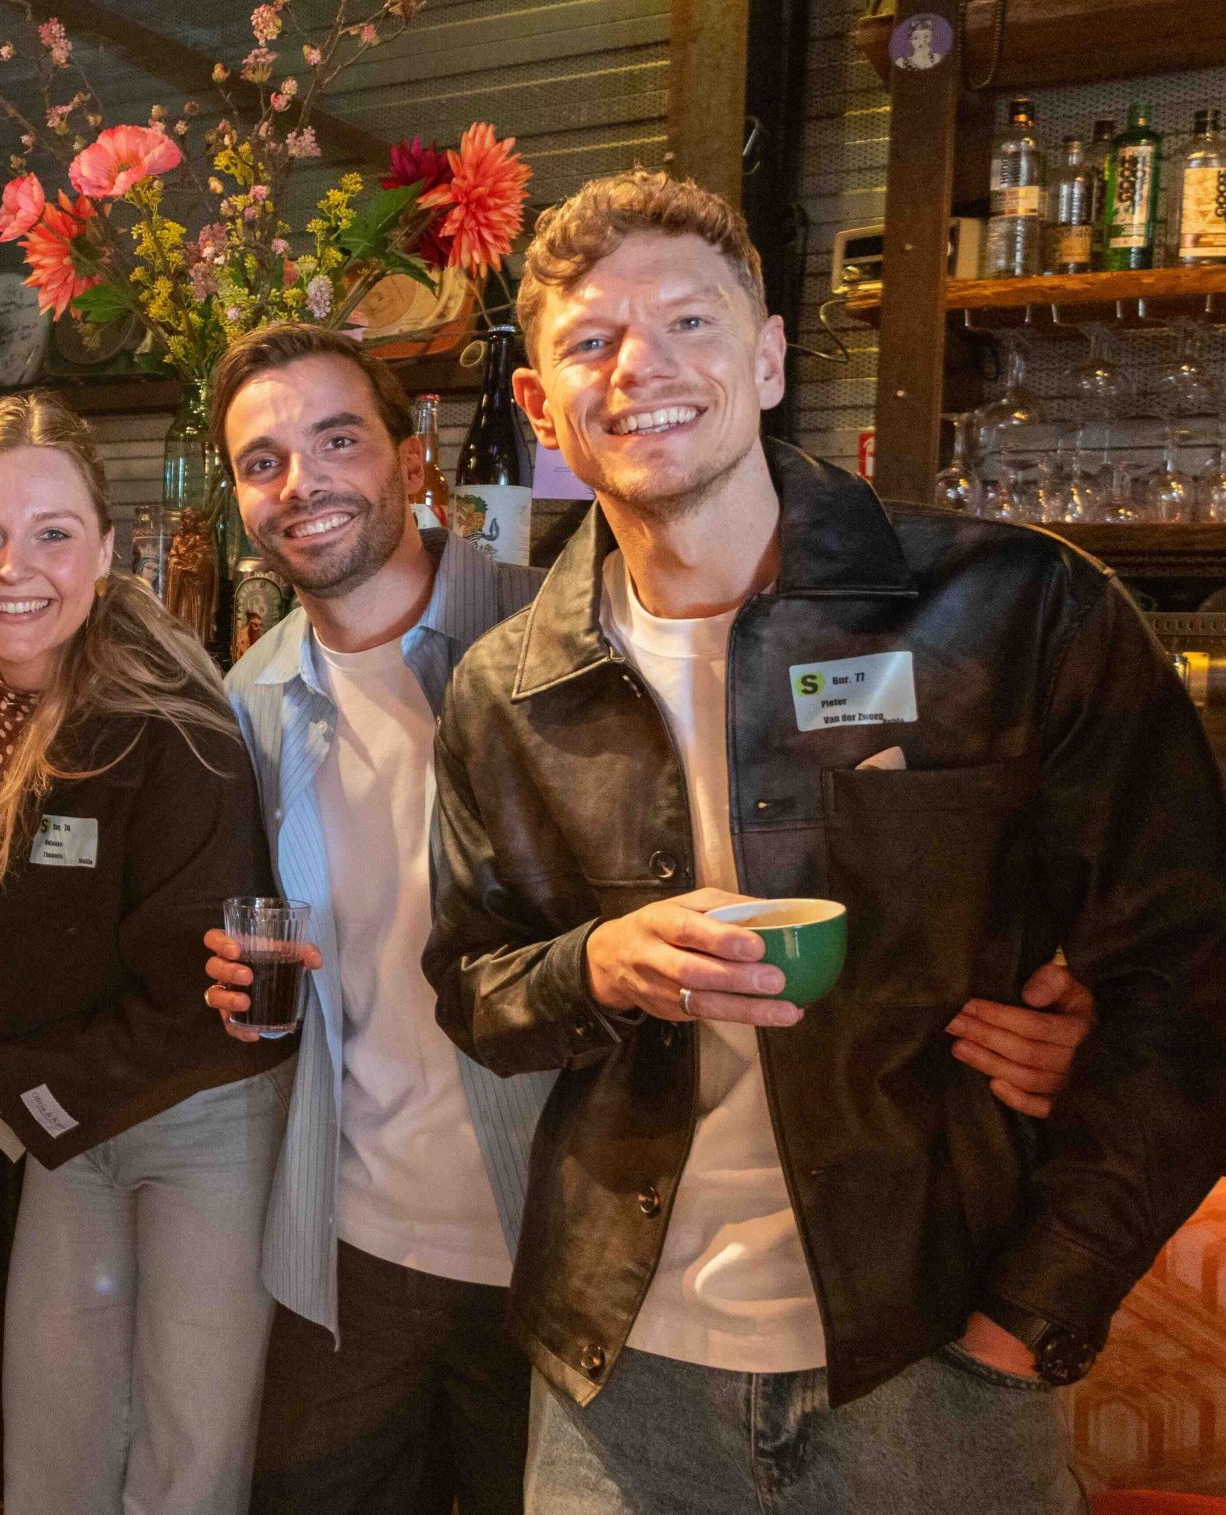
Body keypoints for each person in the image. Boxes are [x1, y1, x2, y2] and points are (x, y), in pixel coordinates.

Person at [422, 170, 1226, 1513]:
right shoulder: (509, 685)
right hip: (617, 1378)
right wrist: (598, 963)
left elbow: (1201, 986)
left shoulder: (1012, 609)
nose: (642, 365)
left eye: (692, 323)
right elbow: (480, 990)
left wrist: (1024, 1320)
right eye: (590, 340)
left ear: (767, 359)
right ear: (542, 408)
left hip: (929, 1361)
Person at [194, 320, 1099, 1515]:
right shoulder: (247, 696)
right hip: (354, 1231)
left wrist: (1057, 976)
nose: (300, 483)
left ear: (412, 460)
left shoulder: (565, 650)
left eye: (336, 439)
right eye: (262, 462)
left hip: (574, 1250)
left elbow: (875, 854)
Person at [0, 392, 293, 1515]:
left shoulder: (170, 727)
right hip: (65, 1113)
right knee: (56, 1447)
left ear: (108, 549)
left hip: (196, 1118)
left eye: (53, 533)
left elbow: (203, 1006)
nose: (16, 566)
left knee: (183, 1457)